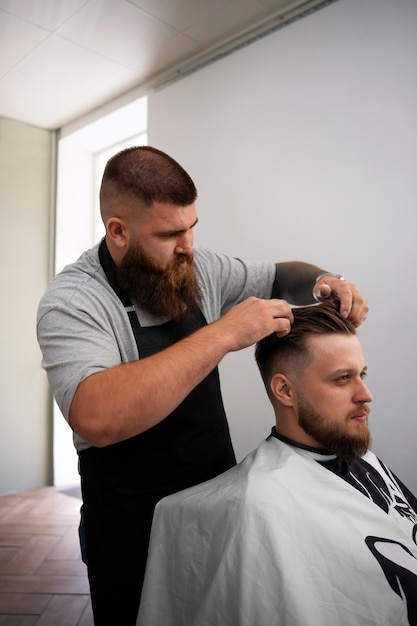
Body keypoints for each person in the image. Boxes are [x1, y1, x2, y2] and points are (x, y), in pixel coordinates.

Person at [36, 146, 368, 626]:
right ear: (118, 231)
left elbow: (282, 274)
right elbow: (97, 416)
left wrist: (326, 281)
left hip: (216, 505)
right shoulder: (73, 301)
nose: (188, 245)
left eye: (192, 226)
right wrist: (225, 333)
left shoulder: (198, 266)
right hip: (133, 530)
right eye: (170, 233)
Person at [136, 301, 417, 626]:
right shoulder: (261, 506)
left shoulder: (362, 458)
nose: (365, 394)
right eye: (343, 379)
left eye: (361, 375)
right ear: (285, 390)